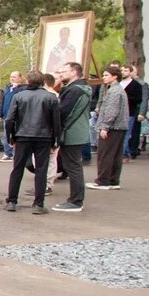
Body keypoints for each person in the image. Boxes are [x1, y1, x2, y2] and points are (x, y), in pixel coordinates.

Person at [3, 70, 61, 214]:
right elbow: (56, 122)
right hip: (44, 137)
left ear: (28, 81)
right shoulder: (51, 98)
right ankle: (38, 204)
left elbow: (10, 119)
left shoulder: (19, 96)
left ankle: (12, 201)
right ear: (42, 82)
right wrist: (56, 141)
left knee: (17, 169)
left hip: (22, 135)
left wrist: (11, 136)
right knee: (41, 170)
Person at [50, 63, 91, 212]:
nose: (61, 74)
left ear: (74, 72)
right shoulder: (81, 88)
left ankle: (75, 201)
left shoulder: (74, 90)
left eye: (64, 71)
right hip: (76, 131)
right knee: (73, 166)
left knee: (73, 167)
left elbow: (63, 111)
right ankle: (76, 199)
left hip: (71, 132)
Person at [88, 66, 129, 190]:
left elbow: (112, 111)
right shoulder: (118, 90)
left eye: (106, 75)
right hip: (119, 127)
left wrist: (105, 127)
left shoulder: (114, 91)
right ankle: (113, 180)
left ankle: (103, 180)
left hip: (112, 127)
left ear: (115, 76)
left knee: (105, 154)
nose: (104, 78)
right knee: (116, 155)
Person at [0, 71, 23, 162]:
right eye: (11, 77)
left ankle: (15, 154)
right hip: (6, 115)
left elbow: (19, 100)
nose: (12, 79)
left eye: (14, 77)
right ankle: (8, 153)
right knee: (6, 135)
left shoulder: (22, 89)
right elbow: (3, 102)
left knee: (15, 136)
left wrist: (16, 88)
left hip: (16, 117)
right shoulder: (7, 88)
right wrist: (0, 114)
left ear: (20, 78)